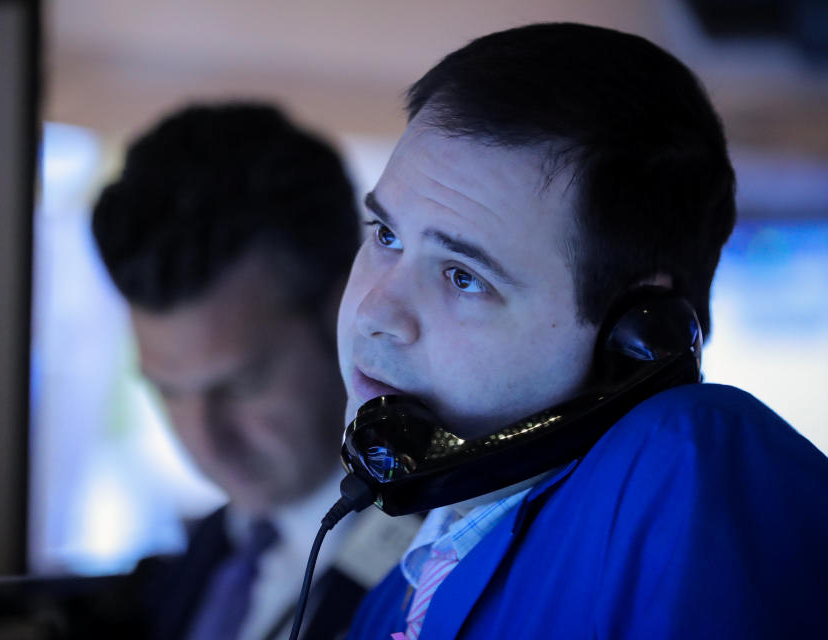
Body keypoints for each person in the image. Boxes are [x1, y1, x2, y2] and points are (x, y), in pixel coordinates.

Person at [336, 23, 828, 639]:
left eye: (463, 278)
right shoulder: (397, 585)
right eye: (386, 237)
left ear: (636, 338)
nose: (376, 313)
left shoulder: (684, 462)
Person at [87, 103, 416, 640]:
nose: (206, 444)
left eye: (240, 386)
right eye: (168, 393)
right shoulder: (177, 576)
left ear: (350, 316)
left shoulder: (448, 571)